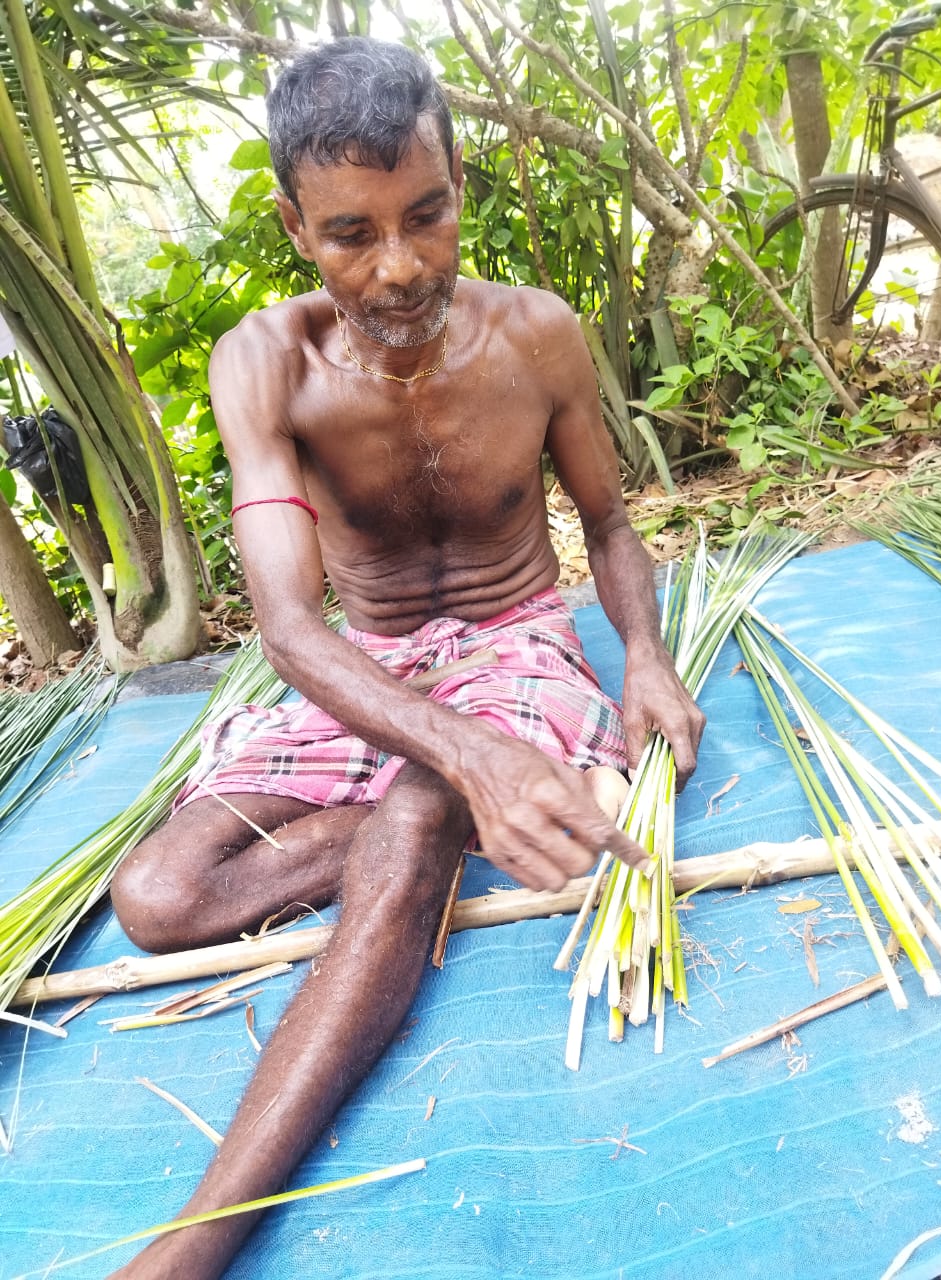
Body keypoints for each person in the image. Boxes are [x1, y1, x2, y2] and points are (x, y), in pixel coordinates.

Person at [108, 35, 705, 1279]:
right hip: (362, 663)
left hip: (516, 642)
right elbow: (287, 626)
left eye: (425, 215)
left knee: (423, 804)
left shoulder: (537, 336)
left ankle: (187, 1247)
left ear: (459, 187)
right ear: (292, 225)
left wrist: (641, 653)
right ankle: (445, 819)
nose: (398, 265)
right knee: (156, 901)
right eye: (351, 233)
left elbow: (603, 524)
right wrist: (469, 751)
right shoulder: (265, 361)